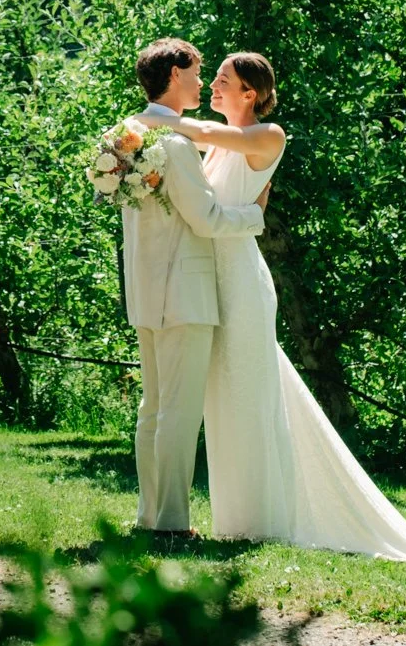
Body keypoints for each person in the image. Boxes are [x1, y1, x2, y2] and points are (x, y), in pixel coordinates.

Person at [134, 51, 406, 578]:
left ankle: (260, 519)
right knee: (218, 402)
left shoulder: (266, 135)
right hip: (205, 280)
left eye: (224, 80)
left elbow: (198, 136)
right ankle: (228, 514)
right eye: (210, 77)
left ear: (251, 93)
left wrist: (156, 120)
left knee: (247, 397)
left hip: (238, 282)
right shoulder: (207, 144)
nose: (214, 85)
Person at [121, 38, 268, 538]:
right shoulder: (174, 145)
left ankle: (148, 516)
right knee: (178, 415)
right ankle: (171, 524)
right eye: (197, 73)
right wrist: (254, 215)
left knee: (153, 410)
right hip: (184, 294)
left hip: (144, 289)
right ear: (174, 75)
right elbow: (205, 219)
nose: (203, 82)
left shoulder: (127, 137)